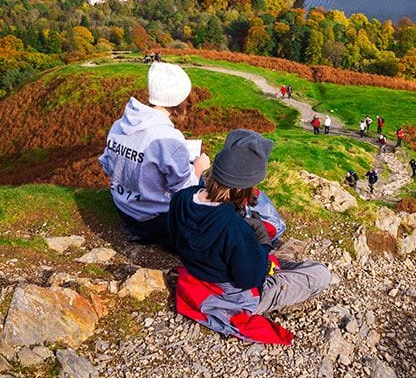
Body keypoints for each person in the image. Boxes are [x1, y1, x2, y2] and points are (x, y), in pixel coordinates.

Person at [169, 129, 330, 343]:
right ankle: (284, 262)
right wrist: (262, 244)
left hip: (200, 273)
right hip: (234, 295)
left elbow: (176, 236)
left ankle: (284, 260)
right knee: (320, 274)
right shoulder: (234, 228)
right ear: (243, 186)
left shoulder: (181, 198)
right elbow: (250, 279)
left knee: (272, 253)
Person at [99, 61, 210, 249]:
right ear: (180, 99)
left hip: (123, 208)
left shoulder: (119, 124)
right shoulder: (168, 138)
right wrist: (199, 168)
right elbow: (185, 191)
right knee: (205, 193)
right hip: (153, 219)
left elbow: (107, 165)